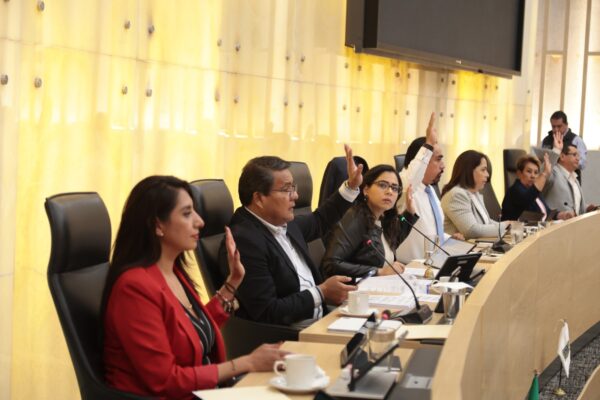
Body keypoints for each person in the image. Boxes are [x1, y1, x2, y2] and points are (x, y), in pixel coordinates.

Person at [102, 176, 286, 399]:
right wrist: (247, 363)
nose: (200, 222)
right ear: (158, 225)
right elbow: (165, 380)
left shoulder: (173, 271)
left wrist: (233, 282)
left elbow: (190, 332)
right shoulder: (134, 288)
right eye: (187, 213)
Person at [221, 145, 363, 328]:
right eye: (287, 189)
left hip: (320, 321)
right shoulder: (244, 241)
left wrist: (351, 187)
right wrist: (322, 293)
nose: (295, 195)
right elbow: (267, 312)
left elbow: (320, 220)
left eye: (294, 188)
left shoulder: (281, 222)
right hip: (287, 335)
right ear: (259, 198)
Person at [322, 164, 417, 278]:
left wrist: (410, 213)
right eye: (383, 185)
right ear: (366, 189)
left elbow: (393, 241)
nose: (390, 191)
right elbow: (331, 263)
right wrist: (377, 272)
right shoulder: (355, 218)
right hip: (356, 288)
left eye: (395, 188)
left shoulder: (383, 219)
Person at [395, 112, 464, 264]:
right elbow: (410, 178)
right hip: (409, 269)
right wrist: (428, 146)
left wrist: (449, 238)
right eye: (438, 159)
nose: (443, 166)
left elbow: (431, 233)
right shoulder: (406, 188)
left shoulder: (429, 190)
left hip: (433, 266)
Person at [502, 133, 574, 221]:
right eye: (529, 171)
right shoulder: (515, 190)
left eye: (536, 172)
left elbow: (547, 212)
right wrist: (545, 174)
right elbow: (527, 199)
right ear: (519, 173)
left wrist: (563, 215)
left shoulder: (535, 192)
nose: (533, 176)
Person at [441, 150, 510, 239]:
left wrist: (508, 226)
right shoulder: (456, 195)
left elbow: (487, 222)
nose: (487, 174)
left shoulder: (475, 193)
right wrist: (504, 226)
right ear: (469, 171)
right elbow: (472, 231)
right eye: (483, 170)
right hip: (459, 247)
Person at [542, 142, 598, 216]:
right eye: (574, 155)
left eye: (578, 155)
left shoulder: (575, 180)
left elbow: (574, 206)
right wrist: (556, 150)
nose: (578, 158)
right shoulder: (553, 172)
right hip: (554, 222)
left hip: (574, 222)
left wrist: (587, 208)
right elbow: (543, 173)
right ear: (562, 156)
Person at [542, 111, 587, 183]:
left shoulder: (576, 140)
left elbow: (582, 163)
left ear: (566, 125)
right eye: (553, 126)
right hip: (549, 181)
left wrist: (567, 161)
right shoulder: (546, 140)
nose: (556, 129)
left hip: (570, 181)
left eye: (559, 126)